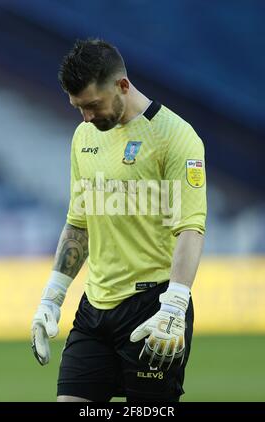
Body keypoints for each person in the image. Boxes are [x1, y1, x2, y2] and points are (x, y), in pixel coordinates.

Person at [31, 39, 207, 402]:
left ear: (122, 86)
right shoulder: (84, 138)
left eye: (93, 105)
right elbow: (78, 223)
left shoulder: (176, 137)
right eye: (79, 108)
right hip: (94, 309)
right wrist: (52, 296)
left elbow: (190, 227)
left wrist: (175, 304)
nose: (86, 118)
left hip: (152, 309)